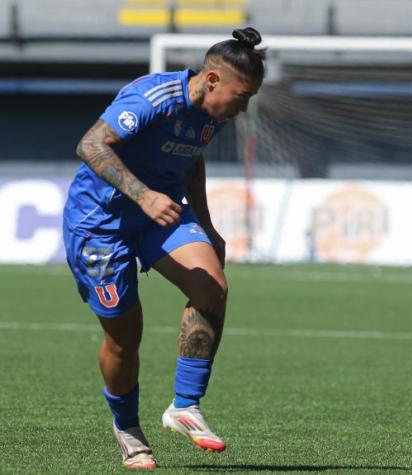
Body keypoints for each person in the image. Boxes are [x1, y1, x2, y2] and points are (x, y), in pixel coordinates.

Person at [62, 27, 265, 469]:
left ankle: (184, 406)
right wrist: (143, 195)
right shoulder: (153, 99)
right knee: (124, 337)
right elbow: (90, 144)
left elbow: (191, 161)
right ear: (212, 80)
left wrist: (208, 226)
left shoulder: (211, 114)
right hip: (100, 223)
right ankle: (127, 427)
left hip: (163, 214)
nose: (244, 107)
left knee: (213, 287)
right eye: (242, 95)